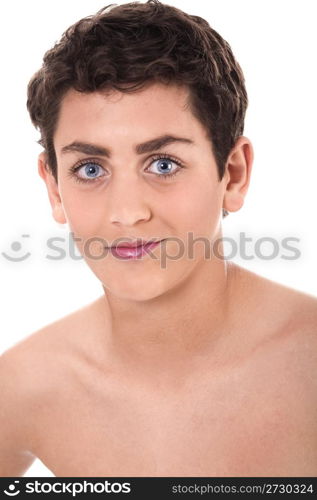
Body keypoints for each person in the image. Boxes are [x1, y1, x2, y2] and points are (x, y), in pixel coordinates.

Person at [1, 0, 316, 478]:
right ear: (54, 186)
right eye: (90, 169)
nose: (127, 213)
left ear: (232, 174)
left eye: (162, 164)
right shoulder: (22, 387)